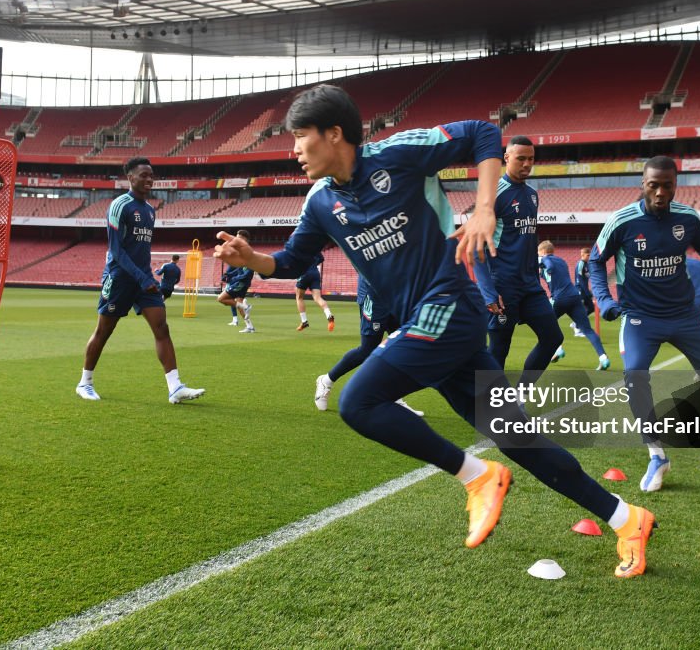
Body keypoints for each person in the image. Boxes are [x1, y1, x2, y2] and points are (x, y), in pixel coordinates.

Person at [215, 85, 655, 577]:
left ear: (334, 134)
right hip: (425, 325)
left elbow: (484, 134)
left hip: (450, 304)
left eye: (301, 137)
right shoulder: (320, 202)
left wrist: (486, 208)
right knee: (518, 438)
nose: (294, 149)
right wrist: (250, 259)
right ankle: (626, 518)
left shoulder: (398, 156)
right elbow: (294, 258)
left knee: (358, 402)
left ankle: (477, 476)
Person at [589, 156, 700, 492]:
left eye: (666, 185)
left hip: (686, 315)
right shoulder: (622, 221)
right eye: (652, 185)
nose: (659, 192)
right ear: (643, 184)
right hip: (641, 317)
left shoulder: (687, 217)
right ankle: (657, 455)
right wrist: (605, 300)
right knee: (635, 375)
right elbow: (597, 261)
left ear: (675, 185)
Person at [75, 157, 205, 404]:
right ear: (130, 177)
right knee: (104, 330)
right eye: (143, 175)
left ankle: (175, 387)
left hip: (144, 281)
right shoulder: (119, 205)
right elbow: (116, 251)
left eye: (151, 175)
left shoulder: (150, 210)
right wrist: (140, 277)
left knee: (161, 327)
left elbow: (140, 249)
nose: (149, 179)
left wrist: (145, 278)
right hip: (120, 278)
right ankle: (85, 383)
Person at [471, 135, 564, 385]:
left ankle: (521, 394)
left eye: (531, 159)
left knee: (553, 338)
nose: (527, 164)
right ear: (507, 158)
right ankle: (490, 408)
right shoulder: (493, 195)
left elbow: (527, 241)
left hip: (530, 287)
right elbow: (475, 249)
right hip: (502, 288)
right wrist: (489, 292)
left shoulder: (532, 195)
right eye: (521, 158)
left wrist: (535, 277)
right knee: (499, 348)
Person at [314, 275, 422, 416]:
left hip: (396, 295)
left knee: (402, 347)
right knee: (367, 349)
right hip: (373, 295)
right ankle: (326, 381)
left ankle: (392, 396)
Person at [538, 241, 610, 370]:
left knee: (543, 325)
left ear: (543, 252)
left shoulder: (545, 260)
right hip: (574, 297)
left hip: (559, 299)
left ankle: (558, 349)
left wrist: (546, 266)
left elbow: (548, 265)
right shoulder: (562, 261)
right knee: (587, 330)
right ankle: (603, 357)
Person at [216, 230, 256, 333]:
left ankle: (246, 306)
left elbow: (248, 273)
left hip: (241, 283)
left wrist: (234, 279)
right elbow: (239, 269)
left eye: (239, 238)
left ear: (245, 239)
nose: (236, 239)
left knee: (221, 299)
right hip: (241, 282)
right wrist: (228, 275)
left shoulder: (248, 252)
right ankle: (250, 326)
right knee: (238, 304)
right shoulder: (242, 252)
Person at [294, 252, 335, 331]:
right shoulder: (313, 246)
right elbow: (321, 258)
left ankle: (304, 321)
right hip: (315, 273)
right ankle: (329, 314)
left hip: (304, 273)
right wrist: (313, 264)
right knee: (317, 298)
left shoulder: (298, 246)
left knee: (299, 297)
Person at [574, 247, 594, 336]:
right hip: (580, 290)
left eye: (590, 255)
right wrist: (587, 292)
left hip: (585, 289)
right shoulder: (581, 264)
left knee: (591, 308)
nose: (589, 257)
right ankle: (577, 329)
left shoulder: (587, 265)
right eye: (588, 255)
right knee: (581, 310)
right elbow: (581, 280)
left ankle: (576, 323)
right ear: (582, 255)